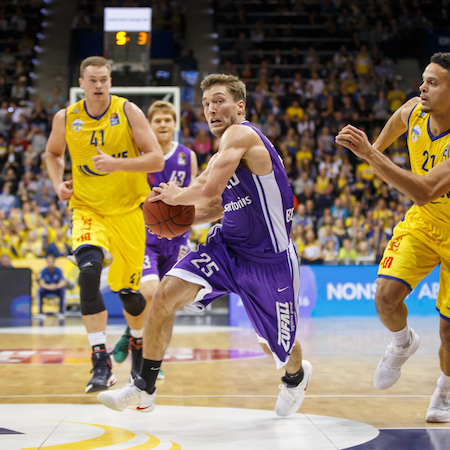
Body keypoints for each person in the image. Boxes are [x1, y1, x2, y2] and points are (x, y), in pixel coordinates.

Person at [98, 73, 312, 417]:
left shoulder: (242, 134)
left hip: (269, 262)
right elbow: (213, 207)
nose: (211, 109)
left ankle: (296, 378)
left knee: (275, 347)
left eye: (219, 101)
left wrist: (175, 196)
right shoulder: (224, 148)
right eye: (206, 104)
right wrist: (176, 222)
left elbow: (208, 188)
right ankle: (143, 388)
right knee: (164, 295)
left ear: (239, 106)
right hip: (226, 249)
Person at [335, 52, 450, 423]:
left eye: (433, 82)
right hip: (423, 224)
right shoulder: (416, 110)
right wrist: (379, 150)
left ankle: (445, 392)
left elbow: (425, 190)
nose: (422, 87)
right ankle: (403, 343)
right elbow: (400, 119)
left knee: (449, 332)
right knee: (384, 297)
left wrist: (370, 154)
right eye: (424, 79)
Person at [45, 56, 164, 393]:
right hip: (87, 209)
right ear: (80, 83)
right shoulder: (65, 118)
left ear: (110, 82)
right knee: (87, 271)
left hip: (128, 212)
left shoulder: (128, 112)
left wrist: (117, 164)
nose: (99, 86)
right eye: (93, 80)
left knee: (129, 294)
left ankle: (138, 344)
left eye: (104, 80)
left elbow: (155, 158)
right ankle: (101, 361)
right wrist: (58, 183)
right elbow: (53, 154)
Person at [112, 100, 198, 381]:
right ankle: (135, 338)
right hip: (146, 236)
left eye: (167, 120)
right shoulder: (141, 155)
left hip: (177, 238)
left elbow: (195, 195)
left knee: (169, 303)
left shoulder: (187, 156)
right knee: (150, 293)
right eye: (157, 121)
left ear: (175, 124)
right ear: (150, 125)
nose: (163, 125)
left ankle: (154, 357)